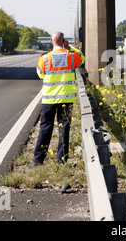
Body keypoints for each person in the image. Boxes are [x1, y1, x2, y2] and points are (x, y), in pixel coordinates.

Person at [29, 31, 85, 167]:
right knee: (64, 129)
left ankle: (38, 160)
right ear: (64, 41)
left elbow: (41, 75)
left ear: (51, 41)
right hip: (66, 99)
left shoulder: (45, 58)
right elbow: (82, 58)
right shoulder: (71, 56)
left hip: (49, 99)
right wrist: (70, 48)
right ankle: (62, 160)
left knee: (45, 128)